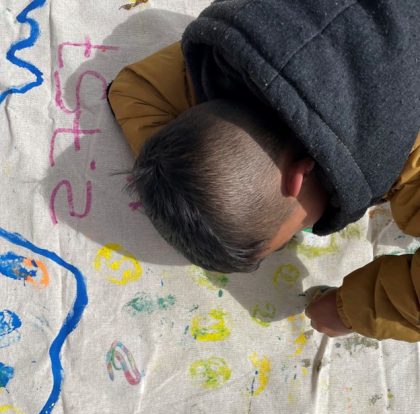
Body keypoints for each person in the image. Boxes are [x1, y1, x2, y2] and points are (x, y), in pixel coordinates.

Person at [108, 0, 420, 343]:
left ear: (297, 178)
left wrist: (353, 311)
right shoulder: (238, 52)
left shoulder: (407, 154)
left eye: (294, 231)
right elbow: (135, 90)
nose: (305, 232)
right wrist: (192, 167)